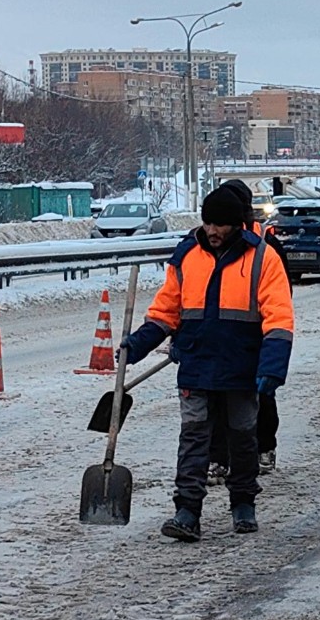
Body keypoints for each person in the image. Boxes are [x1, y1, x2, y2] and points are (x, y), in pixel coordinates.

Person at [119, 185, 294, 542]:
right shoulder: (187, 256)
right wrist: (138, 344)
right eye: (208, 223)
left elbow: (278, 315)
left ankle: (243, 504)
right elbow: (167, 310)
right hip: (196, 365)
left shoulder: (262, 258)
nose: (212, 231)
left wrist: (272, 366)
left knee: (242, 438)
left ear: (237, 226)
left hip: (242, 368)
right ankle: (187, 511)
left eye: (221, 225)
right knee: (194, 439)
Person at [205, 180, 292, 481]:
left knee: (260, 397)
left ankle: (264, 449)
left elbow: (281, 296)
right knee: (215, 400)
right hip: (218, 338)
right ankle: (218, 458)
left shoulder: (267, 247)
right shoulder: (209, 245)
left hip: (254, 337)